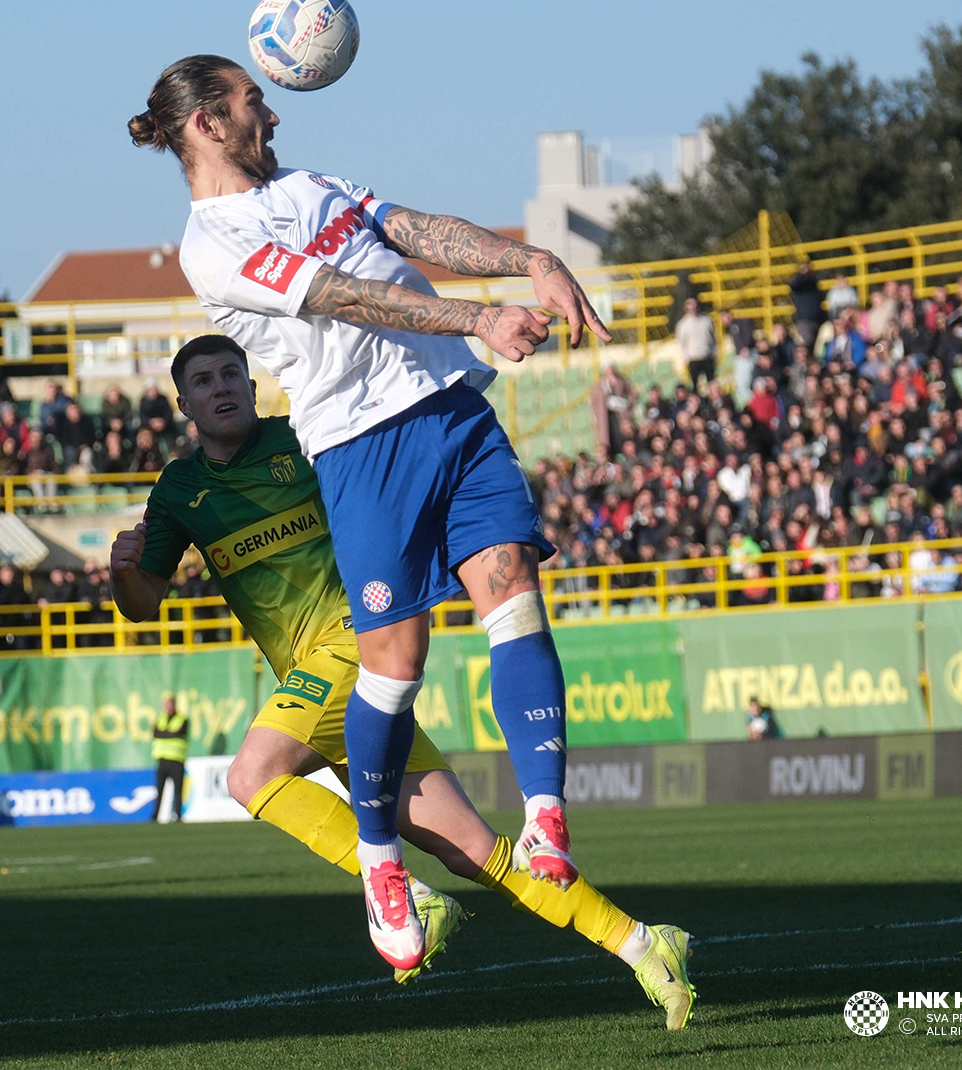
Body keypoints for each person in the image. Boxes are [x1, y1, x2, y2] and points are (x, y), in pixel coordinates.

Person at [134, 56, 613, 974]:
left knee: (513, 589)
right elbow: (337, 297)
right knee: (397, 661)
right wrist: (478, 315)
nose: (271, 115)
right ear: (204, 126)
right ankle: (381, 862)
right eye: (250, 104)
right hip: (361, 444)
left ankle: (547, 822)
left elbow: (414, 227)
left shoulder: (314, 185)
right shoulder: (211, 242)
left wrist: (532, 258)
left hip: (452, 411)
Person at [110, 336, 694, 1026]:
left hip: (359, 646)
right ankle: (643, 943)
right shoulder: (180, 490)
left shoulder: (304, 438)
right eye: (203, 381)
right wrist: (124, 569)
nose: (221, 387)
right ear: (183, 404)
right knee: (481, 854)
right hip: (324, 686)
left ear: (253, 382)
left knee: (251, 775)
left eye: (231, 372)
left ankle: (401, 891)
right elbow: (143, 602)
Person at [149, 695, 188, 822]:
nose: (168, 707)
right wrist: (170, 734)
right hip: (162, 760)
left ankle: (177, 815)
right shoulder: (160, 718)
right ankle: (156, 815)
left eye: (170, 705)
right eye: (166, 705)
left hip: (177, 760)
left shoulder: (182, 719)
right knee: (159, 790)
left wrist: (164, 734)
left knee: (178, 790)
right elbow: (155, 733)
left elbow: (178, 733)